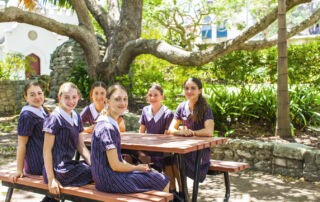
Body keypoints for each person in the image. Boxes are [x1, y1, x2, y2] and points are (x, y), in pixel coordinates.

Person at [90, 84, 170, 193]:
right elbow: (115, 165)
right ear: (107, 101)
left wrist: (138, 167)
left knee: (153, 175)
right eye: (117, 99)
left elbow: (117, 161)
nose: (122, 103)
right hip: (110, 181)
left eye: (125, 99)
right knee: (162, 180)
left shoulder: (108, 122)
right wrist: (137, 168)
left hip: (104, 179)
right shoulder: (107, 127)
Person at [42, 82, 92, 198]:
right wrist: (51, 179)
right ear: (59, 98)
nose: (71, 101)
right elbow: (46, 150)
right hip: (56, 170)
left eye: (74, 97)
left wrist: (93, 164)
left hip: (68, 166)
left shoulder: (76, 117)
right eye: (66, 97)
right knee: (96, 174)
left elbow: (81, 146)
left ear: (78, 97)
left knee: (97, 167)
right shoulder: (54, 118)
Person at [168, 77, 214, 186]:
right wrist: (181, 132)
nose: (189, 91)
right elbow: (170, 129)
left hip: (200, 152)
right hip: (184, 149)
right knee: (167, 161)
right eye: (186, 88)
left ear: (200, 90)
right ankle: (177, 193)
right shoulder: (181, 107)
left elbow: (209, 131)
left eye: (193, 88)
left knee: (174, 160)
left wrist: (192, 132)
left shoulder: (206, 108)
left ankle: (182, 194)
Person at [9, 82, 48, 183]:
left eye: (39, 93)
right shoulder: (27, 116)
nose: (37, 97)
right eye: (32, 94)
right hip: (37, 164)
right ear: (26, 97)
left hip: (47, 158)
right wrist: (19, 170)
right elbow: (21, 144)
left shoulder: (43, 111)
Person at [138, 84, 174, 172]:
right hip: (147, 146)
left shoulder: (168, 113)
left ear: (162, 97)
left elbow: (166, 137)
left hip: (161, 149)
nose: (152, 97)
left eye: (156, 95)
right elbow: (141, 132)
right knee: (129, 155)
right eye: (150, 95)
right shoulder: (145, 110)